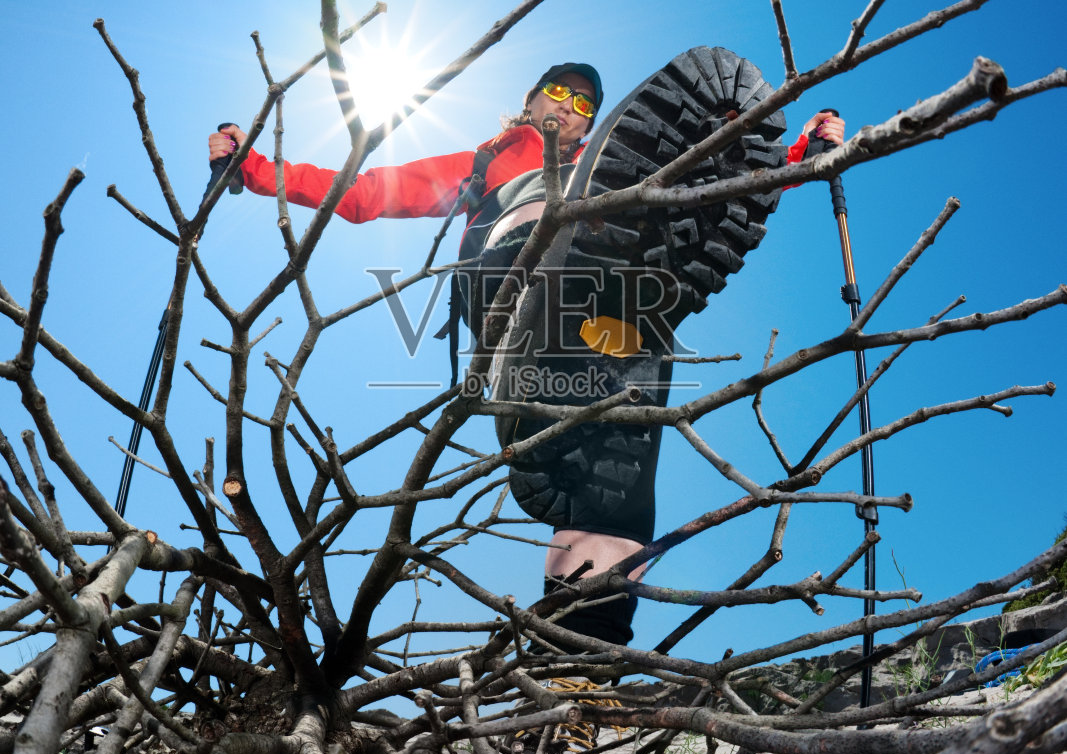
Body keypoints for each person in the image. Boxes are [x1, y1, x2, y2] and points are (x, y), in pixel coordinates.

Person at [210, 63, 844, 647]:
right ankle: (552, 302)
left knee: (617, 480)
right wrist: (255, 168)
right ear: (530, 101)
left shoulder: (615, 159)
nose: (570, 107)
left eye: (584, 103)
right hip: (509, 273)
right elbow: (365, 192)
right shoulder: (489, 158)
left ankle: (580, 657)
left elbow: (726, 183)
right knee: (565, 223)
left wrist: (800, 153)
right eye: (559, 93)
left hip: (612, 319)